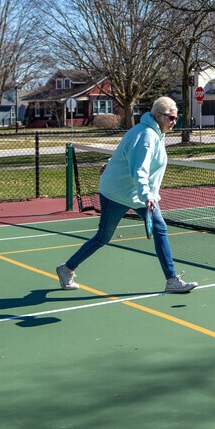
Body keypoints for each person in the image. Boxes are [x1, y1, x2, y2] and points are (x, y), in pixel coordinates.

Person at [56, 96, 198, 293]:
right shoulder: (147, 135)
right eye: (171, 118)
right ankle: (66, 269)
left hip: (137, 193)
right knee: (102, 238)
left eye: (176, 117)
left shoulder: (154, 132)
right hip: (118, 193)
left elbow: (126, 152)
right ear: (158, 116)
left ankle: (171, 279)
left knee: (160, 229)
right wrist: (147, 195)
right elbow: (139, 169)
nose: (175, 121)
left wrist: (112, 163)